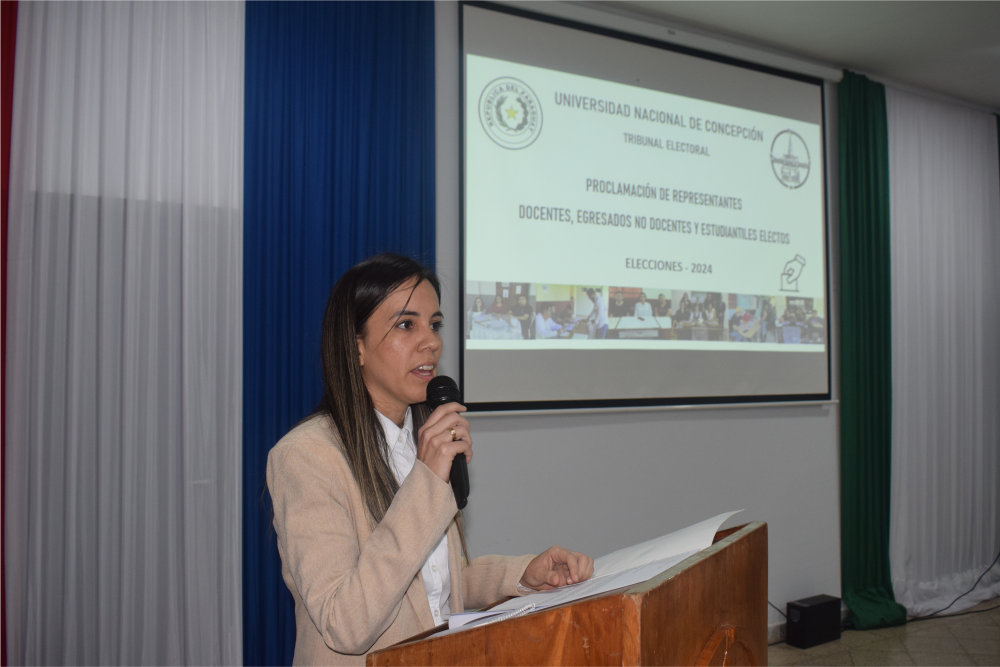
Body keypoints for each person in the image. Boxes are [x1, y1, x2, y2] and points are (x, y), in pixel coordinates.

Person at [267, 254, 593, 665]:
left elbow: (435, 584)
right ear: (357, 346)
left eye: (434, 324)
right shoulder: (307, 457)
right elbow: (345, 623)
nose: (432, 342)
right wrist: (426, 480)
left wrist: (523, 574)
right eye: (407, 325)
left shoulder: (421, 440)